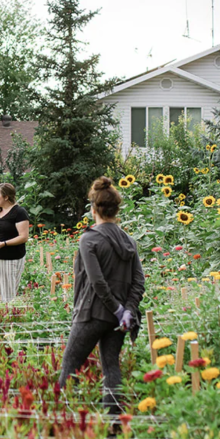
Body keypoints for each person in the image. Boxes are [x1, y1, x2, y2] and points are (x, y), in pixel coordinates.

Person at [58, 177, 144, 413]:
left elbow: (96, 281)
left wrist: (117, 308)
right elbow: (139, 282)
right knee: (110, 366)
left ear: (93, 209)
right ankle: (114, 423)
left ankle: (65, 419)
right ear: (117, 209)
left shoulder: (89, 238)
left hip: (92, 314)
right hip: (119, 320)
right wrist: (126, 310)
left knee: (70, 365)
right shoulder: (129, 241)